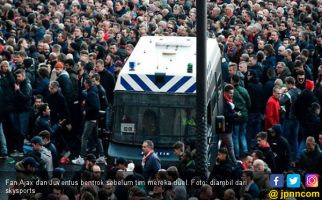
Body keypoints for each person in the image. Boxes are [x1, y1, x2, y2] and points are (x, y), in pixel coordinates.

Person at [72, 78, 105, 165]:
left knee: (84, 137)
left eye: (84, 83)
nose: (83, 85)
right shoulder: (92, 92)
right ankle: (101, 157)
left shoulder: (91, 93)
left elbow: (96, 106)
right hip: (93, 119)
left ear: (87, 84)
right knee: (96, 138)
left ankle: (81, 158)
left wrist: (86, 110)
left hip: (90, 119)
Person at [279, 76, 301, 160]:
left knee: (285, 139)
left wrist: (282, 93)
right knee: (295, 139)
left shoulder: (289, 93)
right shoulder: (299, 91)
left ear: (289, 84)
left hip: (289, 119)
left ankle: (286, 157)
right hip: (297, 119)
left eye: (286, 84)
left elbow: (281, 101)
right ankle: (296, 157)